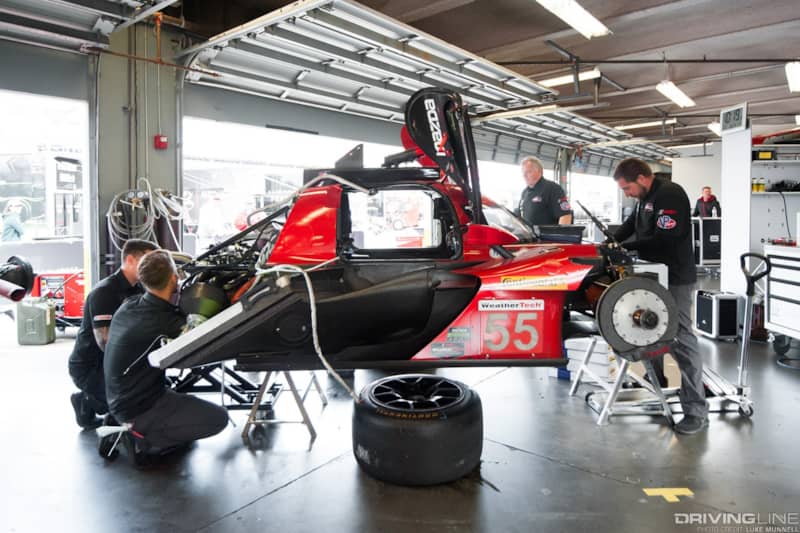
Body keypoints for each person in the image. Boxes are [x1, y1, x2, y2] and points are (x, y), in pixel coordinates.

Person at [103, 250, 228, 465]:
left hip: (118, 398)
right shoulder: (165, 322)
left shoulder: (129, 306)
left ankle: (126, 423)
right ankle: (142, 439)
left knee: (176, 393)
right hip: (140, 406)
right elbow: (198, 338)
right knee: (218, 419)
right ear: (173, 278)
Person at [612, 158, 709, 435]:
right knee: (647, 329)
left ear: (642, 178)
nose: (626, 194)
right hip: (651, 274)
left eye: (628, 188)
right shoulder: (644, 198)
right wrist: (611, 242)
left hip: (675, 278)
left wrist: (627, 248)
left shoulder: (670, 194)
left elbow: (665, 238)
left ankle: (696, 411)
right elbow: (631, 223)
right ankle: (659, 390)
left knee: (680, 338)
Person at [68, 239, 159, 429]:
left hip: (119, 361)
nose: (152, 267)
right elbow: (104, 342)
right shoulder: (104, 292)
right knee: (131, 404)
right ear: (130, 260)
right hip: (91, 367)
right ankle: (88, 400)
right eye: (147, 260)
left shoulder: (140, 290)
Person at [516, 156, 572, 227]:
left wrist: (559, 237)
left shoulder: (553, 188)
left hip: (547, 237)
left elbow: (565, 215)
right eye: (523, 172)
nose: (524, 175)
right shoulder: (524, 192)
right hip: (529, 237)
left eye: (528, 172)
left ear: (540, 171)